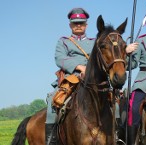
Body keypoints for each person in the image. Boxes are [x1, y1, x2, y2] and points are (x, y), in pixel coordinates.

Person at [45, 8, 95, 145]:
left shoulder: (95, 42)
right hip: (70, 79)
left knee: (114, 102)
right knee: (52, 102)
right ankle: (51, 140)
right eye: (75, 23)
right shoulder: (64, 41)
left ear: (86, 25)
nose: (78, 25)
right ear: (70, 25)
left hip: (92, 80)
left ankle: (116, 136)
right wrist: (80, 67)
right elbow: (60, 58)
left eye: (81, 23)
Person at [125, 9, 146, 145]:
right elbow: (131, 65)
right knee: (134, 108)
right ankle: (131, 142)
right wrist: (126, 53)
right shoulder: (142, 40)